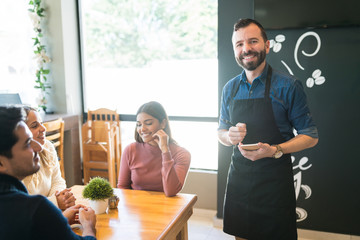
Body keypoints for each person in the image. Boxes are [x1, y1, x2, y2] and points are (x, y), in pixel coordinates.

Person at [218, 18, 319, 240]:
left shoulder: (288, 86)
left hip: (274, 185)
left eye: (253, 41)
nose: (246, 49)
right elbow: (221, 132)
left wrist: (275, 150)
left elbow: (310, 136)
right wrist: (229, 135)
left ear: (267, 45)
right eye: (239, 44)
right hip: (239, 181)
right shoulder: (230, 88)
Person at [0, 105, 97, 239]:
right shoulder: (35, 208)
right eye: (27, 143)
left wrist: (56, 218)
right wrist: (88, 226)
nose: (38, 147)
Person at [117, 101, 191, 197]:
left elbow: (171, 191)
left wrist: (165, 151)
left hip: (166, 208)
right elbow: (122, 188)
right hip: (135, 208)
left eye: (148, 123)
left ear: (163, 123)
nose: (142, 129)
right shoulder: (130, 150)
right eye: (139, 124)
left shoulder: (181, 154)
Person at [21, 106, 76, 211]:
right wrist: (56, 202)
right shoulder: (12, 165)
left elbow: (57, 181)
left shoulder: (47, 147)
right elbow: (24, 209)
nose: (43, 128)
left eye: (41, 123)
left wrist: (62, 198)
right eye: (34, 126)